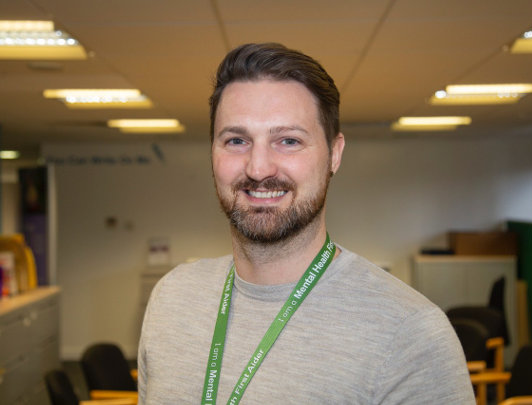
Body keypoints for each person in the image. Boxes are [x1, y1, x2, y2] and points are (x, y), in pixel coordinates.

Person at [138, 43, 475, 404]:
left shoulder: (410, 331)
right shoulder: (171, 299)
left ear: (335, 153)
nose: (258, 168)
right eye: (237, 140)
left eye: (288, 140)